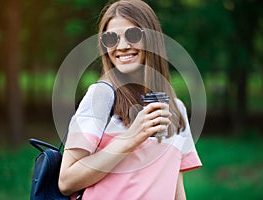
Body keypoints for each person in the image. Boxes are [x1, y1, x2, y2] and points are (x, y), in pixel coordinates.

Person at [58, 0, 202, 199]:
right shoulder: (101, 97)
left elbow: (175, 191)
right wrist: (130, 139)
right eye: (111, 38)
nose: (122, 46)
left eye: (133, 35)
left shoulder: (176, 109)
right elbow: (66, 181)